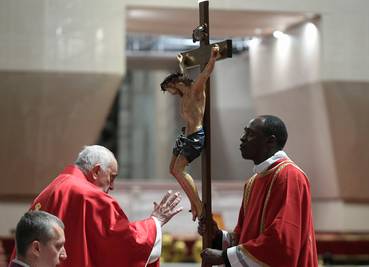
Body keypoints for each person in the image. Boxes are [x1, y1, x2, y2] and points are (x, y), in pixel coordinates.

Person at [10, 145, 182, 267]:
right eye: (112, 177)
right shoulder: (90, 196)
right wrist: (155, 222)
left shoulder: (52, 188)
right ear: (96, 171)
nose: (112, 186)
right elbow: (124, 243)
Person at [198, 115, 318, 266]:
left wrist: (224, 257)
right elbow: (244, 237)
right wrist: (217, 236)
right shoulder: (252, 182)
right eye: (244, 132)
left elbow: (282, 240)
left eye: (250, 134)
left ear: (270, 141)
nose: (242, 138)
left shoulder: (289, 176)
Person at [160, 45, 220, 221]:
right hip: (185, 135)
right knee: (173, 169)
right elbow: (183, 77)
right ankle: (194, 203)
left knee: (179, 170)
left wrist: (213, 57)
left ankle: (199, 206)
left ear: (174, 84)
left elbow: (205, 73)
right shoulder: (184, 92)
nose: (170, 93)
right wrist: (182, 64)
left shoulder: (195, 90)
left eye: (169, 89)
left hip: (194, 136)